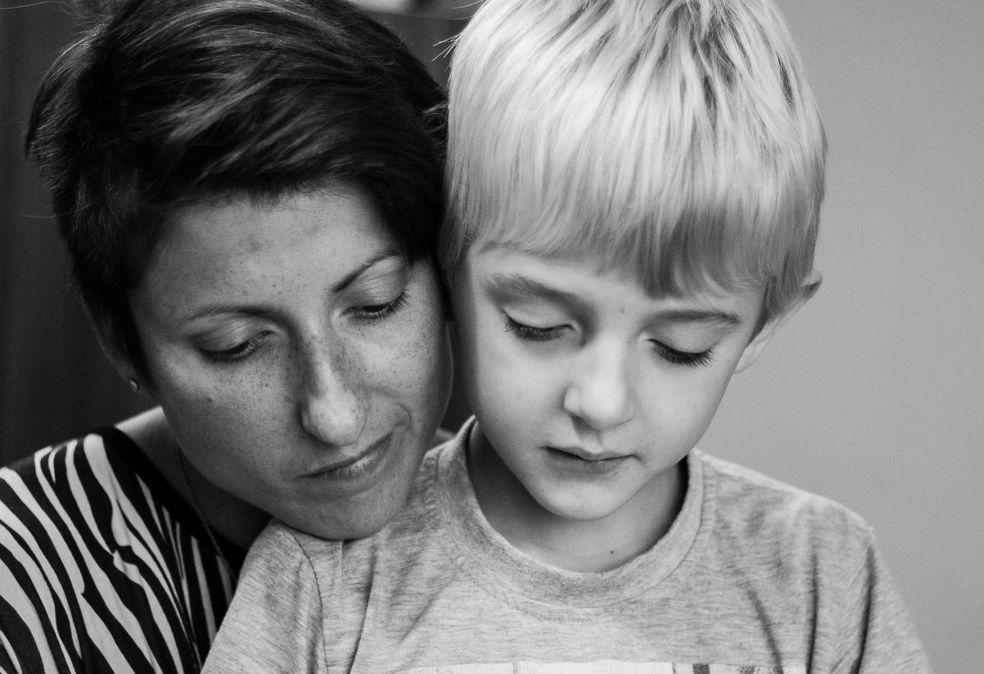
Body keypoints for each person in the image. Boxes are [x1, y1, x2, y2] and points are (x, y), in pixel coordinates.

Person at [206, 0, 931, 671]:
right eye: (539, 327)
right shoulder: (323, 583)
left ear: (764, 324)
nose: (601, 403)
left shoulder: (822, 573)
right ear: (445, 268)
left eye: (680, 346)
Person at [0, 0, 452, 670]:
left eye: (375, 304)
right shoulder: (22, 579)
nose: (334, 416)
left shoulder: (560, 514)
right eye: (236, 345)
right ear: (120, 341)